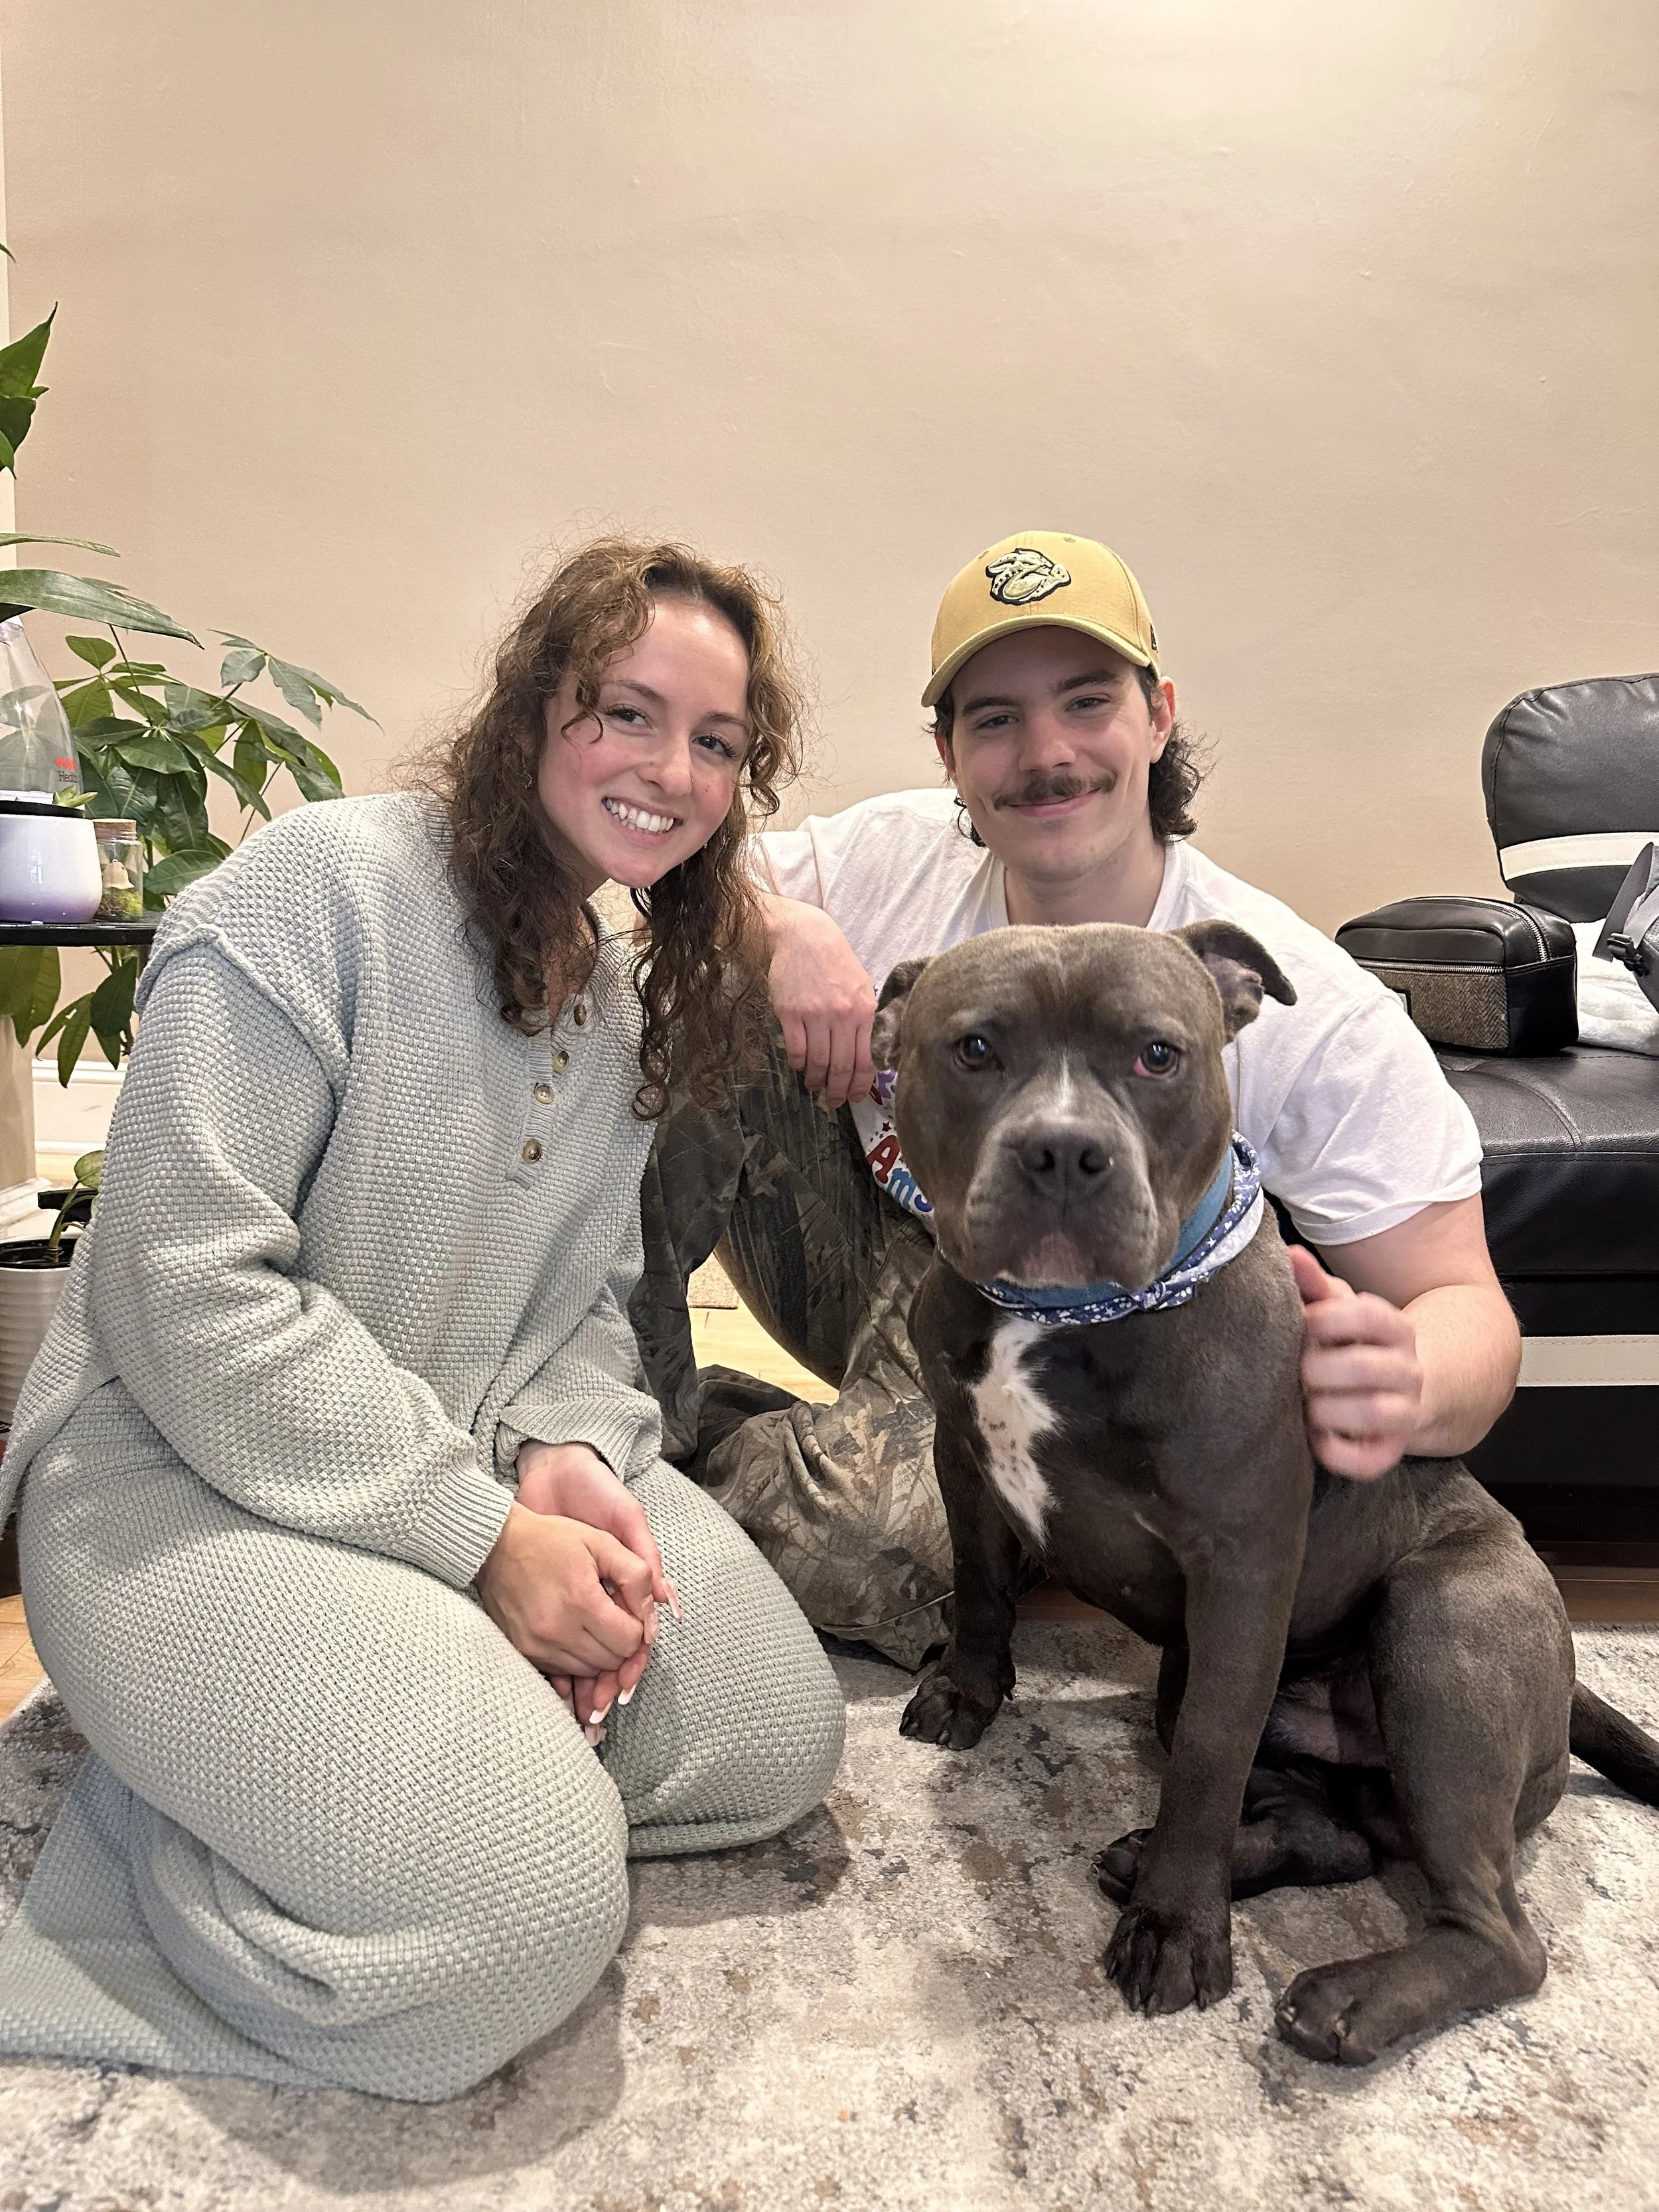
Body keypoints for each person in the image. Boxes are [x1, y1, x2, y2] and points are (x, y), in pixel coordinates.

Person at [0, 538, 845, 2102]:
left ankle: (381, 1765)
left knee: (772, 1734)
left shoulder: (612, 994)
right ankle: (168, 1834)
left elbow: (585, 1305)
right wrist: (479, 1541)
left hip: (450, 1464)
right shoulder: (313, 891)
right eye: (626, 711)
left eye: (717, 742)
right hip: (166, 1486)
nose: (672, 771)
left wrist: (567, 1455)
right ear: (533, 704)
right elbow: (182, 1290)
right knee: (521, 1912)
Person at [632, 530, 1520, 1666]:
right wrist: (786, 931)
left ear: (1159, 716)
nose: (1046, 753)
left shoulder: (1304, 1003)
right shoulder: (888, 860)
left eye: (1088, 701)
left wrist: (1403, 1378)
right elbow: (667, 868)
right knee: (692, 978)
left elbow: (1466, 1307)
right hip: (911, 1263)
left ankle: (796, 1466)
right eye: (996, 718)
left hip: (1128, 1348)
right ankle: (626, 1419)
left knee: (874, 1556)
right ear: (951, 754)